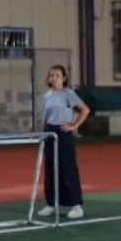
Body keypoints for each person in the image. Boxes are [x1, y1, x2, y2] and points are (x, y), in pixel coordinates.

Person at [38, 64, 90, 220]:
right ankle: (51, 204)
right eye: (51, 75)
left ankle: (76, 206)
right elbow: (46, 117)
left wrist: (74, 125)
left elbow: (85, 110)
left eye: (57, 75)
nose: (54, 78)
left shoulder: (68, 94)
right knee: (50, 170)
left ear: (64, 78)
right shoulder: (47, 95)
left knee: (67, 168)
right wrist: (43, 133)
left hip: (63, 133)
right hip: (49, 133)